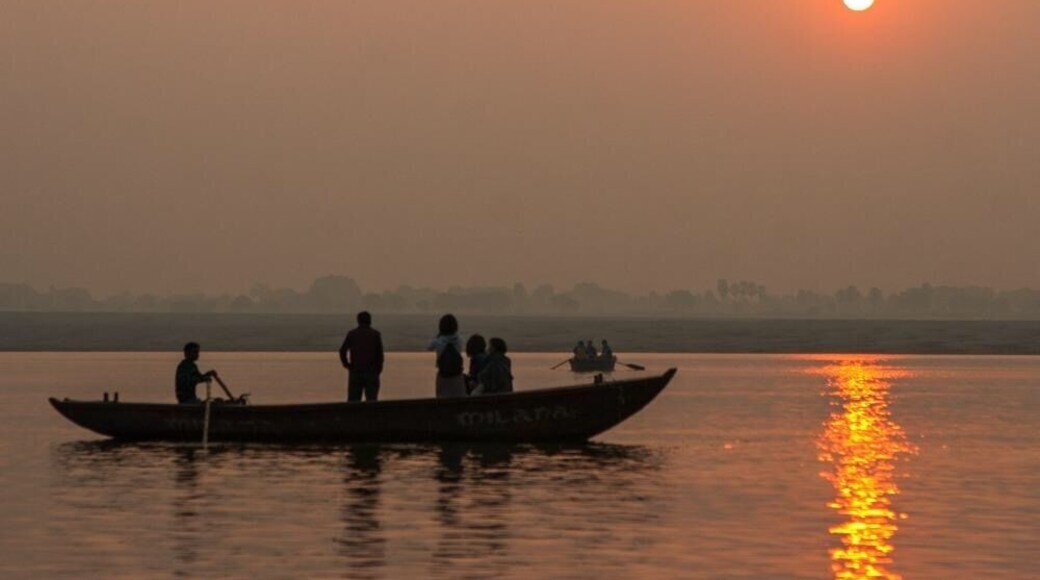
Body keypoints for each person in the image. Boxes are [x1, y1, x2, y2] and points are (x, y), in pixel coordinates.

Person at [339, 311, 385, 402]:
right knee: (372, 400)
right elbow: (380, 355)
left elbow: (342, 350)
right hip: (371, 372)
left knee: (353, 401)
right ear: (370, 321)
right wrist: (378, 369)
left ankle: (353, 416)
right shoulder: (375, 335)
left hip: (356, 371)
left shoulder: (352, 334)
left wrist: (347, 365)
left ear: (358, 321)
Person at [428, 314, 466, 398]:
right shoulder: (459, 340)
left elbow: (429, 348)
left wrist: (438, 336)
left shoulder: (438, 341)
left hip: (443, 375)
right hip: (457, 375)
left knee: (442, 399)